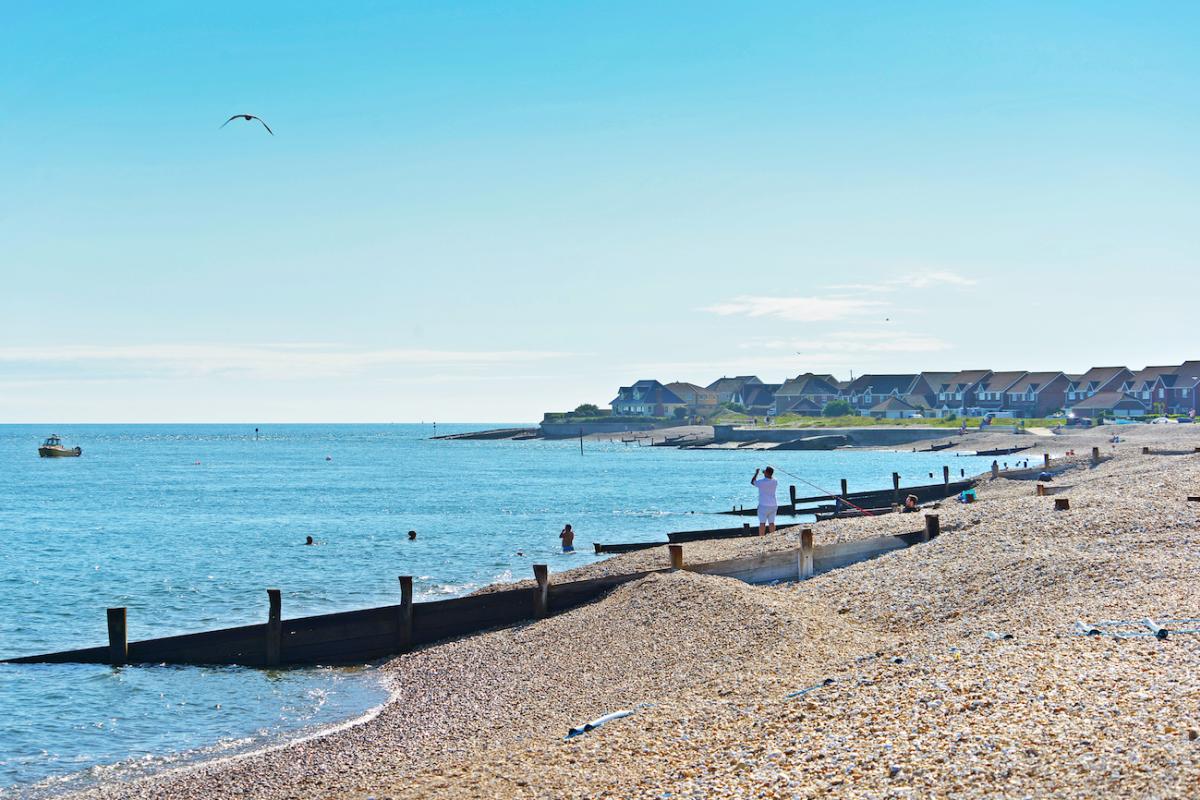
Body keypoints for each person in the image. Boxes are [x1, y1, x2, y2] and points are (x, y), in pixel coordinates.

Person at [751, 467, 778, 535]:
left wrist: (756, 473)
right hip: (773, 505)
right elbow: (770, 477)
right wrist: (766, 472)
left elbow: (752, 482)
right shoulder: (775, 481)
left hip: (763, 505)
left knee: (762, 523)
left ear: (766, 473)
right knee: (771, 522)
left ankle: (761, 538)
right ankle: (773, 537)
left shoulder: (761, 482)